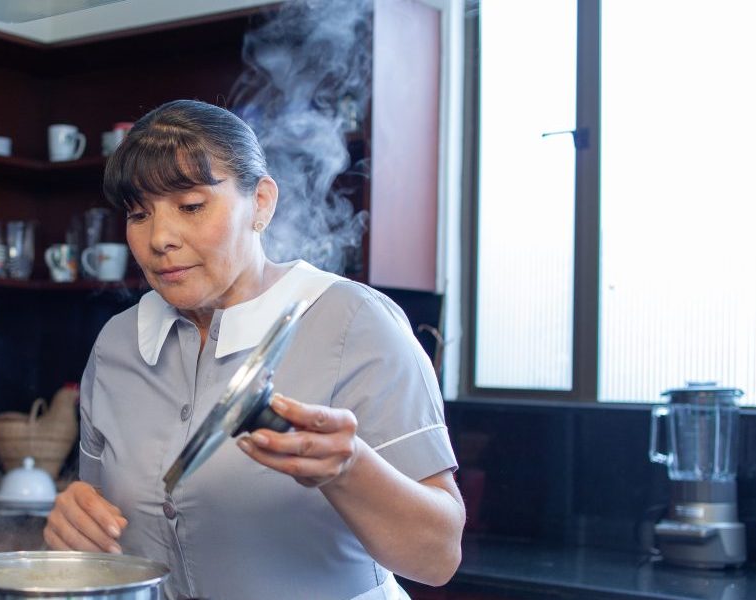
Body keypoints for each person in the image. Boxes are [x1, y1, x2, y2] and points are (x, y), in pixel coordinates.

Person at [44, 99, 465, 600]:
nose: (159, 238)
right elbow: (100, 509)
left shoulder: (355, 322)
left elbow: (438, 556)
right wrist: (74, 520)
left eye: (191, 206)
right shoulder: (117, 343)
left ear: (261, 202)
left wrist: (349, 466)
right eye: (139, 214)